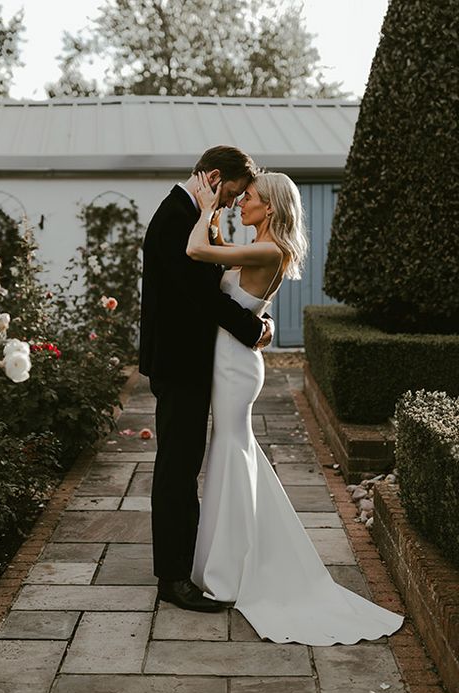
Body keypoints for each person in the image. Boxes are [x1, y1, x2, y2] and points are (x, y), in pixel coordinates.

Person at [186, 170, 404, 644]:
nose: (242, 202)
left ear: (271, 207)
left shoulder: (269, 250)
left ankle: (231, 569)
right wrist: (220, 220)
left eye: (250, 198)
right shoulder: (262, 248)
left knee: (231, 450)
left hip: (235, 367)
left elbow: (198, 252)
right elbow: (231, 285)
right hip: (234, 359)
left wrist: (206, 209)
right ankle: (230, 559)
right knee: (232, 451)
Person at [139, 145, 272, 613]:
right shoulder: (175, 217)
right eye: (234, 191)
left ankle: (185, 562)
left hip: (190, 362)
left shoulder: (192, 212)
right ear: (216, 176)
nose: (236, 202)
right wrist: (254, 330)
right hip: (179, 365)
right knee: (177, 469)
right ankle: (173, 578)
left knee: (184, 464)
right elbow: (201, 297)